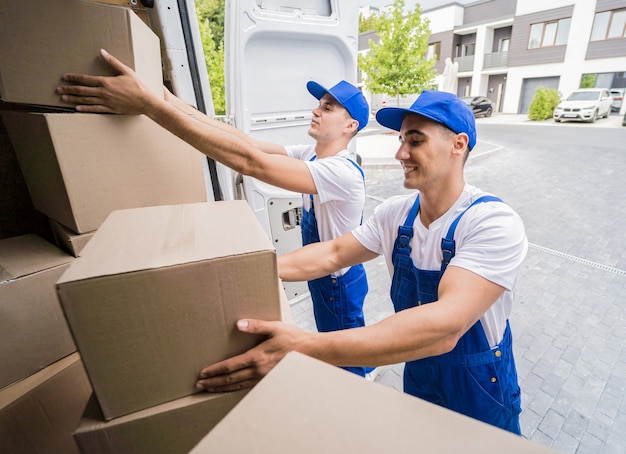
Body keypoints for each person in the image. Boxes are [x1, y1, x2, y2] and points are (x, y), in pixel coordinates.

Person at [193, 90, 528, 435]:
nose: (400, 153)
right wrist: (241, 272)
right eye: (400, 141)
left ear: (458, 145)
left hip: (479, 389)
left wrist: (303, 347)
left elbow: (446, 327)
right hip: (419, 372)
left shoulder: (491, 222)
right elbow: (333, 254)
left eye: (415, 141)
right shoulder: (396, 215)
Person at [56, 49, 372, 377]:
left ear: (350, 125)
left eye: (328, 107)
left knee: (343, 363)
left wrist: (149, 107)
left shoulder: (341, 172)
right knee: (331, 354)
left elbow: (250, 162)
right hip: (323, 279)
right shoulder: (312, 155)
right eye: (319, 103)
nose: (316, 110)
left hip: (339, 284)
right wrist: (165, 99)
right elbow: (243, 142)